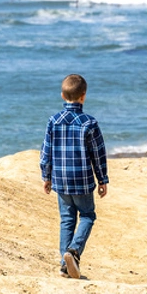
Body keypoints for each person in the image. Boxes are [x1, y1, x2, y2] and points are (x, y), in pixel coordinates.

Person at [40, 74, 109, 279]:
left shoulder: (53, 121)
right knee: (88, 215)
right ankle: (74, 251)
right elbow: (98, 153)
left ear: (62, 95)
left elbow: (46, 152)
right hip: (83, 180)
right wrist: (102, 179)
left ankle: (64, 265)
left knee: (67, 220)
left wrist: (47, 176)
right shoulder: (90, 123)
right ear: (83, 96)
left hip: (61, 180)